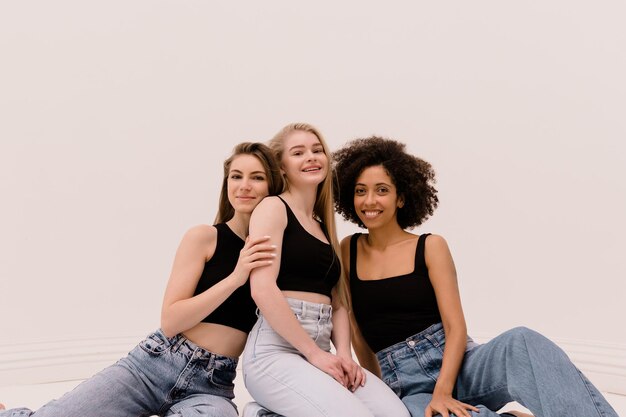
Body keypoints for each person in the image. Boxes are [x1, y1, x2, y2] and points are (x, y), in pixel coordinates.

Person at [332, 136, 619, 417]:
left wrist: (444, 391)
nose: (369, 200)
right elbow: (357, 332)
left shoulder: (430, 246)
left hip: (462, 364)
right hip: (408, 384)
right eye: (360, 191)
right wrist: (380, 391)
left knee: (522, 342)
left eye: (382, 190)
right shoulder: (348, 250)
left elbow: (455, 327)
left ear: (401, 198)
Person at [0, 142, 283, 417]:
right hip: (153, 366)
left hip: (211, 387)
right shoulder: (204, 238)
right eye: (236, 176)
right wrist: (236, 277)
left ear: (271, 186)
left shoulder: (277, 253)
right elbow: (171, 320)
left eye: (256, 178)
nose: (244, 185)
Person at [241, 123, 410, 417]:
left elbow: (338, 299)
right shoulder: (273, 208)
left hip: (319, 348)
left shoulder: (322, 226)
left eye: (317, 150)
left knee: (397, 415)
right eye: (298, 152)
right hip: (275, 351)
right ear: (281, 167)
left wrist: (343, 354)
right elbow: (262, 288)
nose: (311, 156)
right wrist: (314, 354)